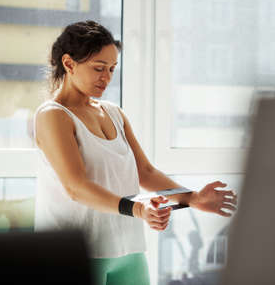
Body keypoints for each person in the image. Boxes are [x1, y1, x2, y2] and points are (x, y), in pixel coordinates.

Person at [33, 20, 238, 285]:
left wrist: (193, 198)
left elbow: (145, 172)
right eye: (98, 68)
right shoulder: (53, 116)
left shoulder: (114, 113)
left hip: (127, 249)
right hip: (73, 253)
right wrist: (138, 209)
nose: (106, 77)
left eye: (111, 69)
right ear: (69, 64)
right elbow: (76, 187)